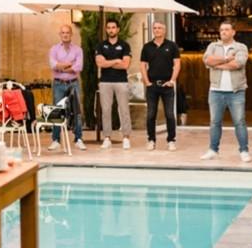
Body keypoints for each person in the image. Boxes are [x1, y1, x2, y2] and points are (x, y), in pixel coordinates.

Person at [201, 21, 250, 162]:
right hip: (216, 90)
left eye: (227, 29)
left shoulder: (241, 47)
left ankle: (244, 151)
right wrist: (226, 59)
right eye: (221, 29)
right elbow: (207, 61)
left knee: (239, 122)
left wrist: (217, 65)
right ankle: (213, 150)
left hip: (236, 91)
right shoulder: (213, 46)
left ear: (233, 32)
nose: (223, 32)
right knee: (215, 122)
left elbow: (238, 64)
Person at [140, 20, 181, 151]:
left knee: (169, 114)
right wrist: (147, 82)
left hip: (167, 86)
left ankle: (171, 140)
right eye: (155, 28)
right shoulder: (147, 47)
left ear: (164, 30)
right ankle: (151, 140)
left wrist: (172, 80)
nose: (157, 30)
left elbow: (177, 64)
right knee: (151, 114)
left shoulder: (172, 46)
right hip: (152, 86)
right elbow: (142, 66)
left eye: (159, 28)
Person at [95, 19, 132, 150]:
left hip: (121, 82)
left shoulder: (125, 45)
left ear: (118, 29)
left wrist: (108, 62)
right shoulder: (101, 45)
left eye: (113, 27)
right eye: (109, 27)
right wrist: (117, 60)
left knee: (124, 110)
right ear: (106, 30)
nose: (111, 30)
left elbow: (125, 65)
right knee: (106, 111)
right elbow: (100, 63)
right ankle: (107, 138)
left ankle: (126, 137)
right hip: (105, 82)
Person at [48, 23, 86, 152]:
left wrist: (61, 66)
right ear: (60, 35)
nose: (65, 35)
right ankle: (56, 140)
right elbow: (53, 65)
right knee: (57, 111)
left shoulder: (78, 50)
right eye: (63, 33)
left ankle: (78, 139)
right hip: (58, 84)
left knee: (76, 111)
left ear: (71, 34)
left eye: (67, 33)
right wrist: (69, 65)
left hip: (73, 83)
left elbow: (78, 67)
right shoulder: (54, 49)